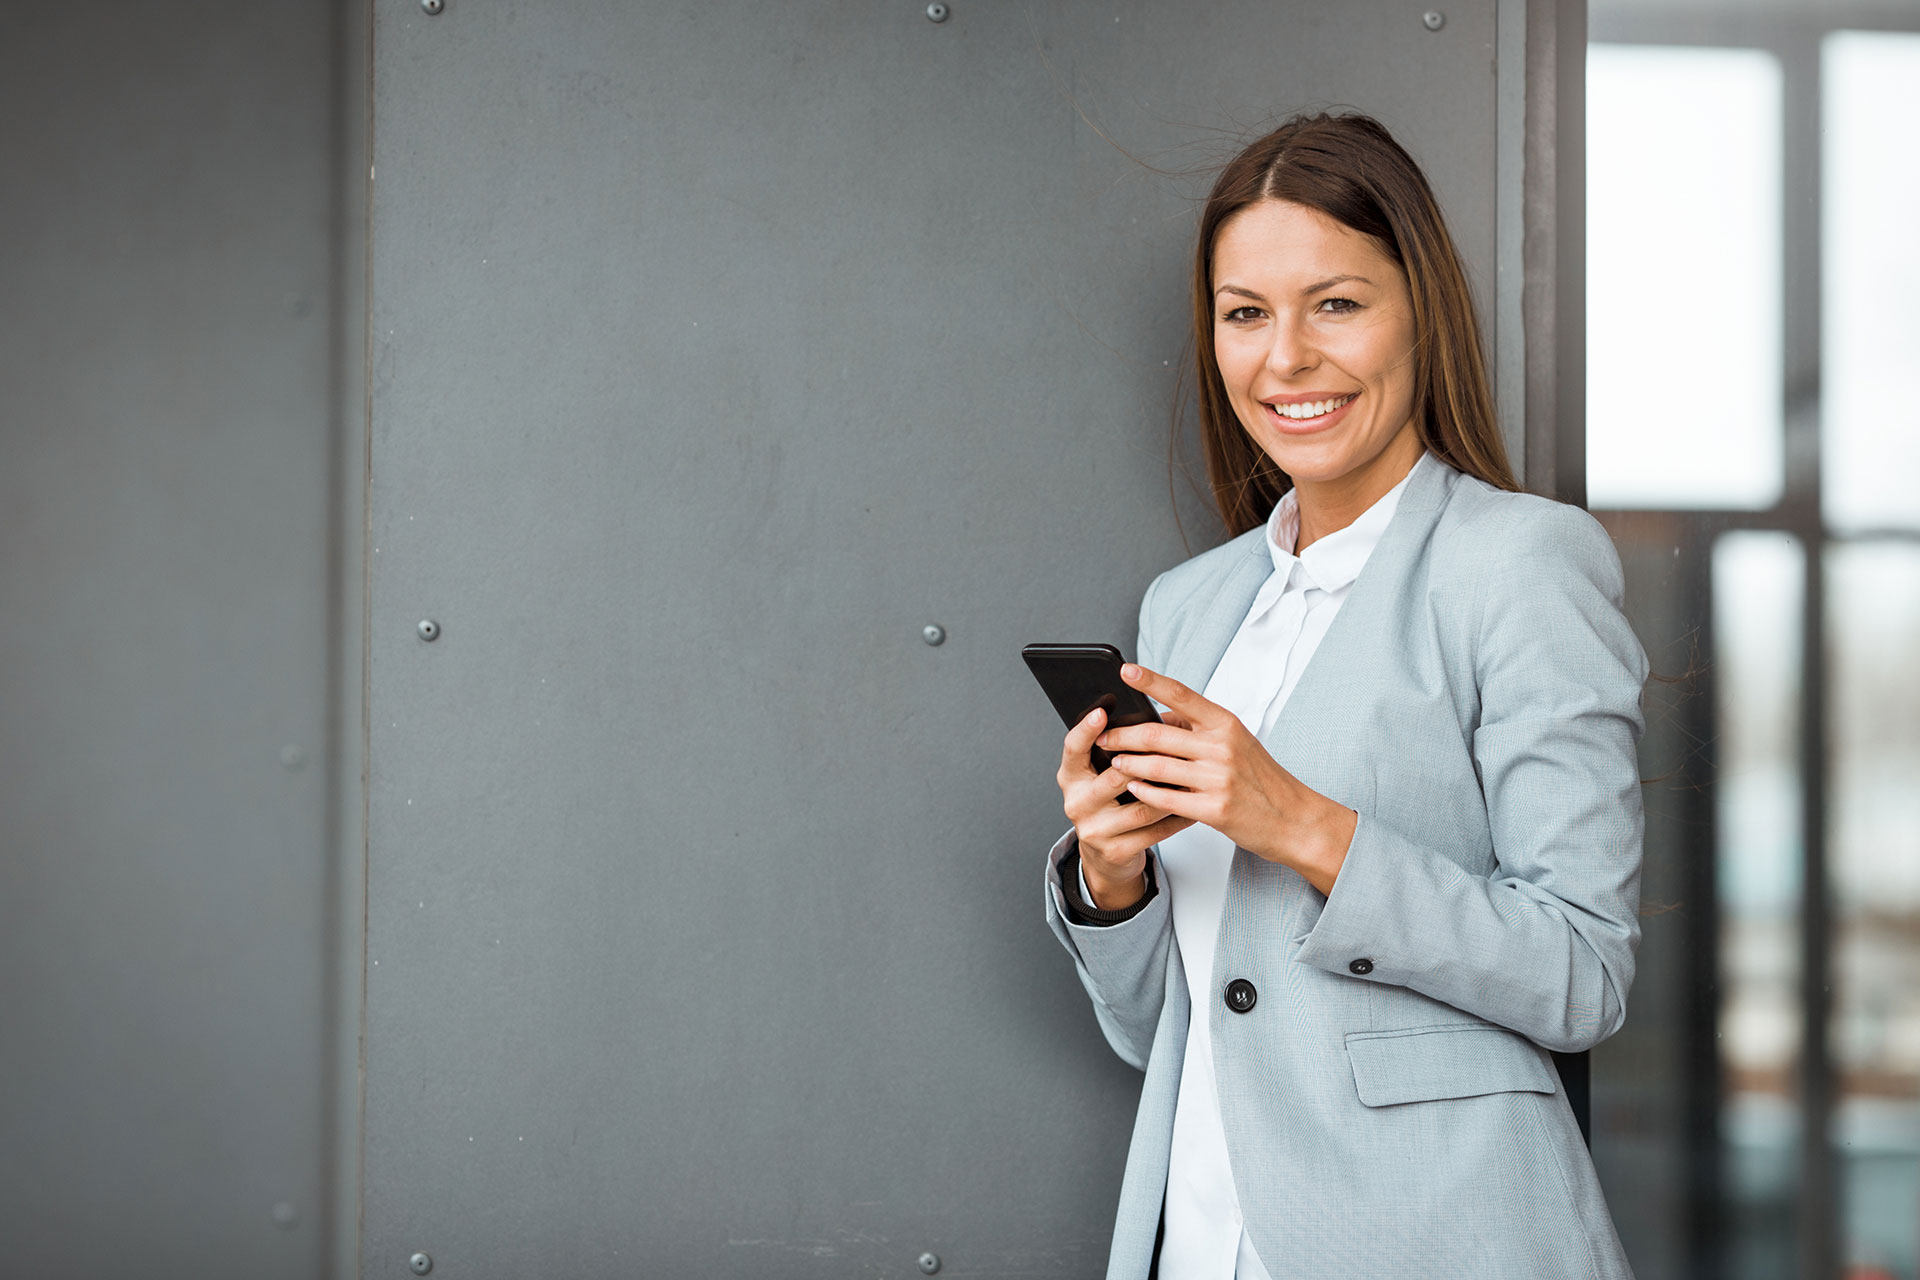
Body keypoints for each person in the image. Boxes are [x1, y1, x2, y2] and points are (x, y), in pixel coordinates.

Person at [1043, 112, 1646, 1279]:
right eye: (1246, 313)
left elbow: (1585, 971)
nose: (1286, 359)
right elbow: (1169, 1028)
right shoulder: (1189, 606)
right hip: (1198, 1234)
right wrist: (1113, 880)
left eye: (1337, 303)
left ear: (1420, 309)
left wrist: (1300, 824)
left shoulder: (1519, 565)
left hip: (1441, 1235)